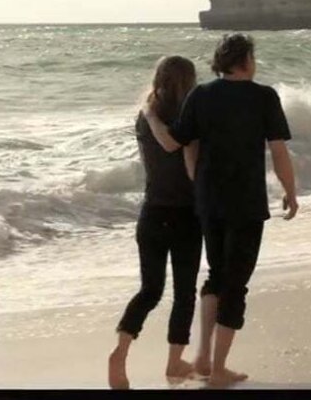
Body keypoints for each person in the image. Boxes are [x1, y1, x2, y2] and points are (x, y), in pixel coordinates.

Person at [143, 33, 298, 387]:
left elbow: (173, 142)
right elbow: (278, 150)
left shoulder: (201, 95)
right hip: (246, 203)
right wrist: (290, 191)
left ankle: (203, 358)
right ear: (246, 61)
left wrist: (151, 114)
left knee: (216, 275)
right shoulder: (264, 97)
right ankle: (218, 370)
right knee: (236, 283)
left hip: (208, 202)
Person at [108, 56, 203, 389]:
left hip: (151, 213)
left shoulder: (145, 116)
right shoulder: (189, 119)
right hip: (185, 214)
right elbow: (185, 160)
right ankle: (175, 362)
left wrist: (149, 112)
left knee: (150, 290)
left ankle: (120, 351)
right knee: (184, 293)